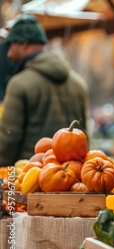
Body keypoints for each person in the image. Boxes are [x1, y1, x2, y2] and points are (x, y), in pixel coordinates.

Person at [0, 14, 89, 167]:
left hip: (29, 179)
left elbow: (6, 143)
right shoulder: (78, 83)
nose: (8, 54)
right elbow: (85, 136)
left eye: (11, 46)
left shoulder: (19, 84)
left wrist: (7, 184)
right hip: (71, 179)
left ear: (23, 45)